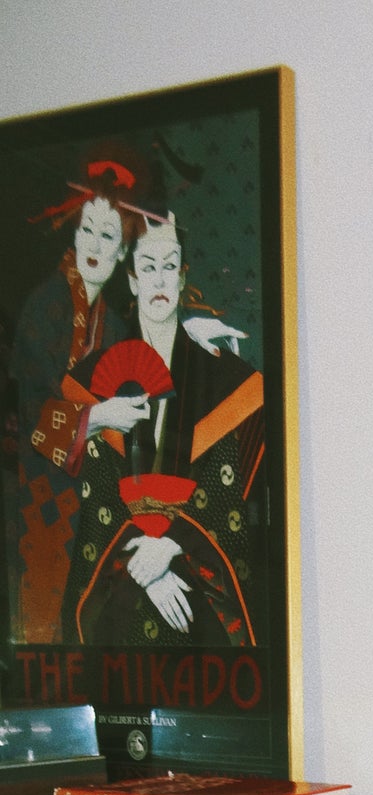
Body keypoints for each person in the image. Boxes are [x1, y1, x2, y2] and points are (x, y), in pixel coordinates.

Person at [56, 215, 265, 653]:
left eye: (169, 266)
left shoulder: (219, 376)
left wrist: (170, 546)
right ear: (131, 281)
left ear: (183, 276)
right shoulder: (95, 380)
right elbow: (98, 502)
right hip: (122, 581)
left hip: (195, 579)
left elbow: (225, 492)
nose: (158, 279)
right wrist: (140, 564)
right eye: (147, 267)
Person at [7, 150, 148, 645]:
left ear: (124, 252)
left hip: (96, 508)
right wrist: (97, 416)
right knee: (42, 638)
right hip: (36, 501)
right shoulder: (41, 308)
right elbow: (30, 420)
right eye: (87, 229)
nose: (93, 244)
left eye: (108, 236)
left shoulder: (121, 328)